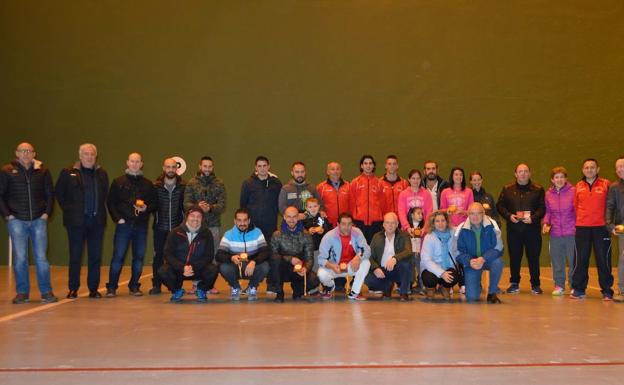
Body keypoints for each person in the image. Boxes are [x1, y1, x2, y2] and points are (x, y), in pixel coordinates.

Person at [0, 142, 57, 304]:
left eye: (29, 151)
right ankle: (22, 293)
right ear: (16, 153)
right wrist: (8, 215)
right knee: (20, 258)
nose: (26, 153)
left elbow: (50, 194)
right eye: (22, 151)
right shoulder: (6, 171)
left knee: (41, 258)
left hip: (39, 220)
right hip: (16, 221)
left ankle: (46, 292)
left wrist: (46, 213)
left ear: (34, 154)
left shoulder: (43, 171)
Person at [55, 143, 109, 299]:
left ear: (96, 156)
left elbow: (103, 193)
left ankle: (93, 289)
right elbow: (59, 193)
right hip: (76, 223)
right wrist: (70, 210)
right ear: (80, 156)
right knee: (75, 256)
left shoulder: (101, 173)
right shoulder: (68, 172)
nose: (89, 156)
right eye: (86, 154)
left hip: (96, 222)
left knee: (95, 257)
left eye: (92, 154)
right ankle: (73, 288)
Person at [105, 152, 157, 297]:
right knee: (118, 257)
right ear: (127, 163)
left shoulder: (148, 184)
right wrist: (118, 219)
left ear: (141, 164)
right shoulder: (118, 181)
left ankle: (134, 286)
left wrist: (147, 208)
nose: (135, 164)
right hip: (123, 225)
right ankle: (112, 287)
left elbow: (154, 204)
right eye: (132, 161)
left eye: (138, 161)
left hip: (141, 226)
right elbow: (111, 202)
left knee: (139, 258)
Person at [496, 163, 545, 294]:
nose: (523, 173)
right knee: (515, 257)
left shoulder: (538, 189)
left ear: (529, 173)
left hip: (532, 231)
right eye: (520, 171)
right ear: (515, 174)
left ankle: (535, 284)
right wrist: (509, 216)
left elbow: (542, 208)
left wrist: (533, 218)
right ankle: (514, 283)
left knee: (533, 258)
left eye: (525, 171)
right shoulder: (507, 189)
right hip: (514, 230)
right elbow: (500, 206)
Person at [571, 159, 614, 300]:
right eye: (587, 167)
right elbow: (575, 206)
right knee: (581, 259)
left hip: (601, 228)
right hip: (582, 228)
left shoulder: (606, 184)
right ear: (583, 170)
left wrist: (609, 223)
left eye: (592, 167)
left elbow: (611, 206)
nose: (589, 170)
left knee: (603, 259)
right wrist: (581, 221)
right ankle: (579, 289)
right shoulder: (578, 186)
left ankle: (607, 290)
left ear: (598, 169)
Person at [158, 206, 219, 303]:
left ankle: (201, 290)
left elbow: (209, 256)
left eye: (199, 216)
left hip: (197, 269)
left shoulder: (206, 233)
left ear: (202, 219)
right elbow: (167, 254)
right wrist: (182, 267)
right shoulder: (175, 232)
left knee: (213, 269)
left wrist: (192, 267)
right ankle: (177, 290)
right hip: (179, 270)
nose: (195, 219)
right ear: (187, 217)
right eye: (193, 216)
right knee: (163, 271)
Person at [453, 203, 504, 303]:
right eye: (472, 213)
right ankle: (476, 283)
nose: (475, 217)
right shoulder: (461, 229)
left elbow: (499, 247)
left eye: (478, 213)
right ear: (468, 214)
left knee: (498, 262)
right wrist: (469, 261)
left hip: (487, 260)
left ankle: (492, 293)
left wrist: (483, 258)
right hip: (472, 263)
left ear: (483, 213)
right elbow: (456, 251)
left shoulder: (492, 225)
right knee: (472, 297)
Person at [216, 208, 270, 301]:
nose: (242, 223)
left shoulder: (257, 232)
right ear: (235, 221)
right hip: (235, 267)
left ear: (249, 220)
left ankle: (252, 288)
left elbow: (265, 252)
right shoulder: (228, 234)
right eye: (239, 220)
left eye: (245, 220)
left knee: (265, 266)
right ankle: (235, 287)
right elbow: (219, 255)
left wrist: (254, 261)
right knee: (223, 267)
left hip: (252, 267)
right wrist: (231, 257)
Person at [150, 158, 186, 295]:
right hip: (160, 228)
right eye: (168, 167)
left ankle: (177, 286)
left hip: (177, 230)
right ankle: (156, 285)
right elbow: (151, 206)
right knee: (158, 257)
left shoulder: (183, 186)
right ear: (163, 168)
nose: (171, 169)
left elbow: (185, 208)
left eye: (173, 167)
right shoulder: (155, 186)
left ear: (176, 169)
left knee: (178, 258)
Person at [317, 212, 371, 301]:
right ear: (338, 224)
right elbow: (321, 259)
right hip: (334, 267)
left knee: (366, 263)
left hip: (351, 266)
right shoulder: (329, 236)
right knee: (321, 273)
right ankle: (330, 287)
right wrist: (331, 266)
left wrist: (358, 257)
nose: (347, 227)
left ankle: (354, 292)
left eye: (349, 224)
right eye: (344, 224)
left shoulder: (357, 232)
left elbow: (366, 249)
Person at [270, 206, 320, 302]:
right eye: (289, 217)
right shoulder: (277, 234)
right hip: (282, 270)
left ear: (298, 217)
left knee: (314, 280)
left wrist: (306, 268)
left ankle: (297, 291)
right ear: (284, 217)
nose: (292, 220)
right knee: (275, 260)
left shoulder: (306, 235)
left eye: (294, 217)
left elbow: (309, 258)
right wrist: (290, 259)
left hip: (298, 270)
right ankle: (280, 293)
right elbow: (273, 255)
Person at [542, 167, 575, 296]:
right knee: (557, 261)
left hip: (571, 232)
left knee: (573, 261)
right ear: (552, 180)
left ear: (566, 178)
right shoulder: (548, 194)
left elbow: (578, 210)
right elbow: (548, 212)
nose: (559, 179)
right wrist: (545, 223)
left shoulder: (573, 191)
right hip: (555, 234)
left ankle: (574, 285)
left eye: (562, 177)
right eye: (557, 177)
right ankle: (559, 285)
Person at [364, 212, 413, 301]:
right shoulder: (376, 236)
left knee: (405, 264)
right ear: (383, 224)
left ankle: (403, 292)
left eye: (393, 223)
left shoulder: (404, 236)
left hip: (397, 269)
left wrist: (395, 258)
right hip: (382, 271)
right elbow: (369, 255)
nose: (390, 225)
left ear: (397, 224)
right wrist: (375, 268)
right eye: (387, 222)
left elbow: (408, 251)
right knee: (367, 279)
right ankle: (387, 286)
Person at [184, 156, 226, 256]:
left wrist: (210, 208)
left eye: (210, 166)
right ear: (200, 166)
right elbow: (186, 204)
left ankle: (213, 272)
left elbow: (222, 205)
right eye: (205, 166)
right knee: (194, 253)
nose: (207, 169)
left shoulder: (219, 183)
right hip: (194, 225)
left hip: (213, 225)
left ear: (213, 167)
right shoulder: (191, 183)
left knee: (214, 253)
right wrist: (197, 207)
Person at [239, 155, 282, 243]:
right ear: (256, 167)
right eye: (259, 166)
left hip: (270, 224)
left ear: (268, 167)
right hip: (253, 225)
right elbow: (243, 204)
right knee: (253, 250)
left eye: (264, 165)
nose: (262, 168)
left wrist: (273, 214)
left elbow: (279, 202)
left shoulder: (276, 183)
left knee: (269, 250)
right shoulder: (248, 183)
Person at [420, 211, 459, 300]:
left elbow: (464, 227)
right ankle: (430, 289)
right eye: (437, 221)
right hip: (431, 267)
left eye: (443, 220)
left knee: (453, 277)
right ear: (433, 223)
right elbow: (426, 260)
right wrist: (441, 273)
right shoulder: (429, 237)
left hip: (448, 266)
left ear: (447, 222)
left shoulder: (453, 233)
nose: (440, 223)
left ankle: (445, 288)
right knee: (429, 278)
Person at [350, 155, 385, 243]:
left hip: (376, 222)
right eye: (365, 163)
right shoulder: (355, 182)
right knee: (360, 248)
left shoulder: (379, 183)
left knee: (374, 248)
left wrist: (382, 219)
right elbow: (352, 202)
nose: (368, 166)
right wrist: (353, 219)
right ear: (361, 166)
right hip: (359, 222)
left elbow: (383, 203)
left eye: (370, 163)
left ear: (373, 166)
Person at [606, 156, 624, 301]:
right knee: (623, 258)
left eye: (622, 166)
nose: (619, 169)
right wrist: (610, 225)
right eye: (617, 167)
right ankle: (622, 290)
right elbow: (610, 207)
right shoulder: (614, 187)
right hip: (622, 229)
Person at [316, 161, 350, 228]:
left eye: (338, 169)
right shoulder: (321, 187)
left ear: (341, 171)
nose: (335, 171)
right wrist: (320, 224)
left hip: (345, 224)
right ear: (328, 172)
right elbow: (317, 207)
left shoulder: (348, 186)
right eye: (333, 169)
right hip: (328, 224)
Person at [407, 206, 425, 294]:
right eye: (418, 213)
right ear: (412, 215)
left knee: (420, 270)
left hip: (420, 253)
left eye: (422, 213)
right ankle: (407, 287)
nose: (421, 215)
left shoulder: (423, 229)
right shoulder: (407, 228)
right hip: (410, 253)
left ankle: (422, 287)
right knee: (410, 270)